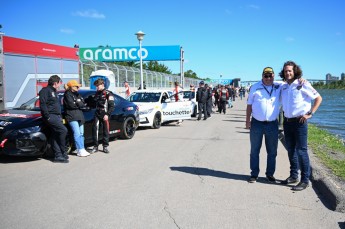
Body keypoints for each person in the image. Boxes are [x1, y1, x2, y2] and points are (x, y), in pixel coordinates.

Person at [279, 61, 322, 191]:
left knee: (301, 151)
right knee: (291, 150)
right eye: (286, 71)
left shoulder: (303, 83)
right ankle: (293, 176)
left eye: (290, 71)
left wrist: (310, 114)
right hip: (287, 122)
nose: (288, 73)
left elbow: (318, 98)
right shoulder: (284, 86)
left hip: (300, 122)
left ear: (295, 71)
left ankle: (304, 180)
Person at [246, 67, 282, 183]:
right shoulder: (255, 87)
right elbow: (249, 105)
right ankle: (254, 174)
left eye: (270, 75)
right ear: (262, 76)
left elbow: (292, 81)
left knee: (272, 151)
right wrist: (247, 121)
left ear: (273, 76)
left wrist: (301, 80)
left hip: (272, 124)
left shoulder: (279, 86)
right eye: (265, 76)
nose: (268, 78)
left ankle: (270, 174)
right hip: (257, 123)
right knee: (254, 150)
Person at [39, 75, 69, 163]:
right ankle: (62, 152)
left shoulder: (54, 91)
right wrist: (47, 116)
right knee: (63, 130)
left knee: (55, 135)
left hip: (56, 116)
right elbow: (43, 104)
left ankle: (58, 155)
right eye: (59, 83)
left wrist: (59, 116)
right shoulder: (45, 91)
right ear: (55, 83)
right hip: (51, 116)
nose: (60, 85)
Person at [63, 80, 90, 157]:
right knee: (77, 133)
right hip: (72, 116)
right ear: (71, 87)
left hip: (80, 116)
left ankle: (82, 148)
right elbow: (71, 105)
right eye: (76, 86)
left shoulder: (78, 94)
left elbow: (83, 103)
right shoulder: (67, 94)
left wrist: (78, 103)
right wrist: (79, 103)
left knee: (81, 134)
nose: (78, 87)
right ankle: (80, 149)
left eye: (78, 86)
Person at [90, 78, 115, 154]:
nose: (97, 87)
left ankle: (105, 146)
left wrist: (107, 114)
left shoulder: (108, 93)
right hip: (97, 113)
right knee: (95, 129)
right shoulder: (97, 93)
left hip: (105, 114)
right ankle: (95, 146)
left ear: (102, 85)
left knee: (105, 130)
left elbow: (112, 106)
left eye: (98, 86)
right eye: (96, 86)